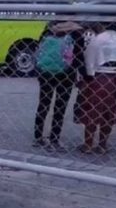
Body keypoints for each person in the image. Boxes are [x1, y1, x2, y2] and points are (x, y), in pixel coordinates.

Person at [74, 23, 116, 154]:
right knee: (109, 113)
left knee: (91, 111)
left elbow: (88, 60)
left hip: (97, 78)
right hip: (114, 79)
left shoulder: (98, 39)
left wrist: (87, 77)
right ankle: (102, 145)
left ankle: (88, 144)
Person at [33, 21, 84, 152]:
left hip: (45, 73)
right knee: (60, 107)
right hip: (66, 74)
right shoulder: (76, 34)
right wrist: (83, 75)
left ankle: (38, 137)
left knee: (43, 104)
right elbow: (79, 57)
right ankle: (54, 139)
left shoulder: (47, 32)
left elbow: (39, 52)